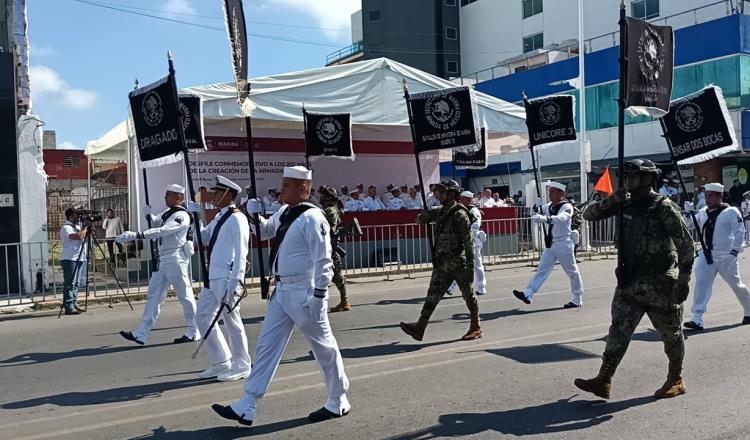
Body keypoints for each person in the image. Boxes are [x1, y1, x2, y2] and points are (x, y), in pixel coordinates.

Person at [212, 166, 351, 426]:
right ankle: (247, 404)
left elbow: (324, 261)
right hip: (282, 291)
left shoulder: (312, 217)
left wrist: (320, 297)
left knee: (323, 347)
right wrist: (254, 215)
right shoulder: (286, 212)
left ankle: (338, 398)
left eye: (286, 186)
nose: (281, 190)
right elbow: (265, 231)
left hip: (304, 291)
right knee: (267, 346)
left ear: (303, 188)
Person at [575, 159, 695, 400]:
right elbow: (588, 214)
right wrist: (613, 200)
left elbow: (686, 244)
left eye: (634, 175)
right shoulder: (623, 203)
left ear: (649, 179)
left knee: (671, 335)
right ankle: (604, 379)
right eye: (627, 175)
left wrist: (683, 280)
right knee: (618, 331)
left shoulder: (664, 207)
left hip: (660, 285)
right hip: (629, 282)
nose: (628, 179)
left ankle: (676, 378)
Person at [399, 179, 482, 342]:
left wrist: (470, 267)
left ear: (452, 194)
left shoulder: (460, 213)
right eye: (439, 192)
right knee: (432, 295)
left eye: (442, 192)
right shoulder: (441, 210)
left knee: (469, 296)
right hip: (442, 264)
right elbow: (421, 219)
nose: (439, 195)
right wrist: (423, 216)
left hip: (458, 264)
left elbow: (468, 242)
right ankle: (419, 327)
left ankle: (476, 326)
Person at [117, 184, 200, 346]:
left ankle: (194, 329)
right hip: (163, 259)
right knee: (154, 297)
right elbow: (157, 224)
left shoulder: (181, 215)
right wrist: (149, 216)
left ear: (179, 197)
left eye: (168, 195)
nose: (165, 197)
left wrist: (138, 235)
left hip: (175, 258)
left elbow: (165, 230)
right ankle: (142, 332)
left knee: (185, 296)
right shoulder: (168, 213)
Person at [190, 176, 252, 382]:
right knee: (203, 317)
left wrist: (236, 282)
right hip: (212, 277)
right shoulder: (219, 217)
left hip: (226, 277)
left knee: (232, 321)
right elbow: (203, 237)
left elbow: (242, 252)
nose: (213, 196)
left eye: (217, 193)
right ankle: (221, 361)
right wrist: (195, 216)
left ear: (228, 195)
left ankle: (242, 364)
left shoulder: (237, 218)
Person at [683, 183, 750, 331]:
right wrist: (688, 213)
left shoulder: (731, 212)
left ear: (720, 196)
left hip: (726, 255)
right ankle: (697, 318)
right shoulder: (703, 212)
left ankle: (749, 309)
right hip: (706, 254)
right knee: (701, 284)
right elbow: (690, 225)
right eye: (706, 195)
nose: (707, 198)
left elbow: (740, 232)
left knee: (736, 284)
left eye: (711, 195)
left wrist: (733, 253)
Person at [512, 182, 584, 308]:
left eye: (552, 192)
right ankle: (528, 294)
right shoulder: (549, 206)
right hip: (551, 244)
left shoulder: (566, 206)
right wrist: (536, 206)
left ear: (560, 194)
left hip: (563, 243)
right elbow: (533, 212)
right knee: (541, 270)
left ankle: (577, 298)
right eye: (549, 191)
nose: (550, 194)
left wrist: (545, 219)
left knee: (572, 271)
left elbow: (562, 218)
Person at [447, 191, 487, 297]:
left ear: (467, 199)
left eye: (463, 198)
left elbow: (475, 226)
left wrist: (462, 232)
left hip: (473, 240)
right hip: (463, 241)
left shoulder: (473, 210)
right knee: (460, 264)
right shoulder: (460, 209)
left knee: (477, 265)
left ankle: (481, 287)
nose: (460, 200)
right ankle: (451, 287)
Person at [319, 186, 351, 313]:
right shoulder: (328, 210)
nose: (321, 198)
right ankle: (344, 301)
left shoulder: (330, 211)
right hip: (328, 247)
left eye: (324, 196)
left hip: (329, 248)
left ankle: (344, 301)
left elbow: (330, 230)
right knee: (336, 276)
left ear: (329, 198)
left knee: (333, 276)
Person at [60, 207, 88, 315]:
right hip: (69, 259)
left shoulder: (77, 226)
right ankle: (68, 305)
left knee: (76, 283)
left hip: (79, 257)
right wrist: (85, 227)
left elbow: (84, 237)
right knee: (70, 283)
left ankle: (74, 302)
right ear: (71, 216)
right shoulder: (66, 228)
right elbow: (78, 236)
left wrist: (88, 229)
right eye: (77, 215)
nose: (79, 217)